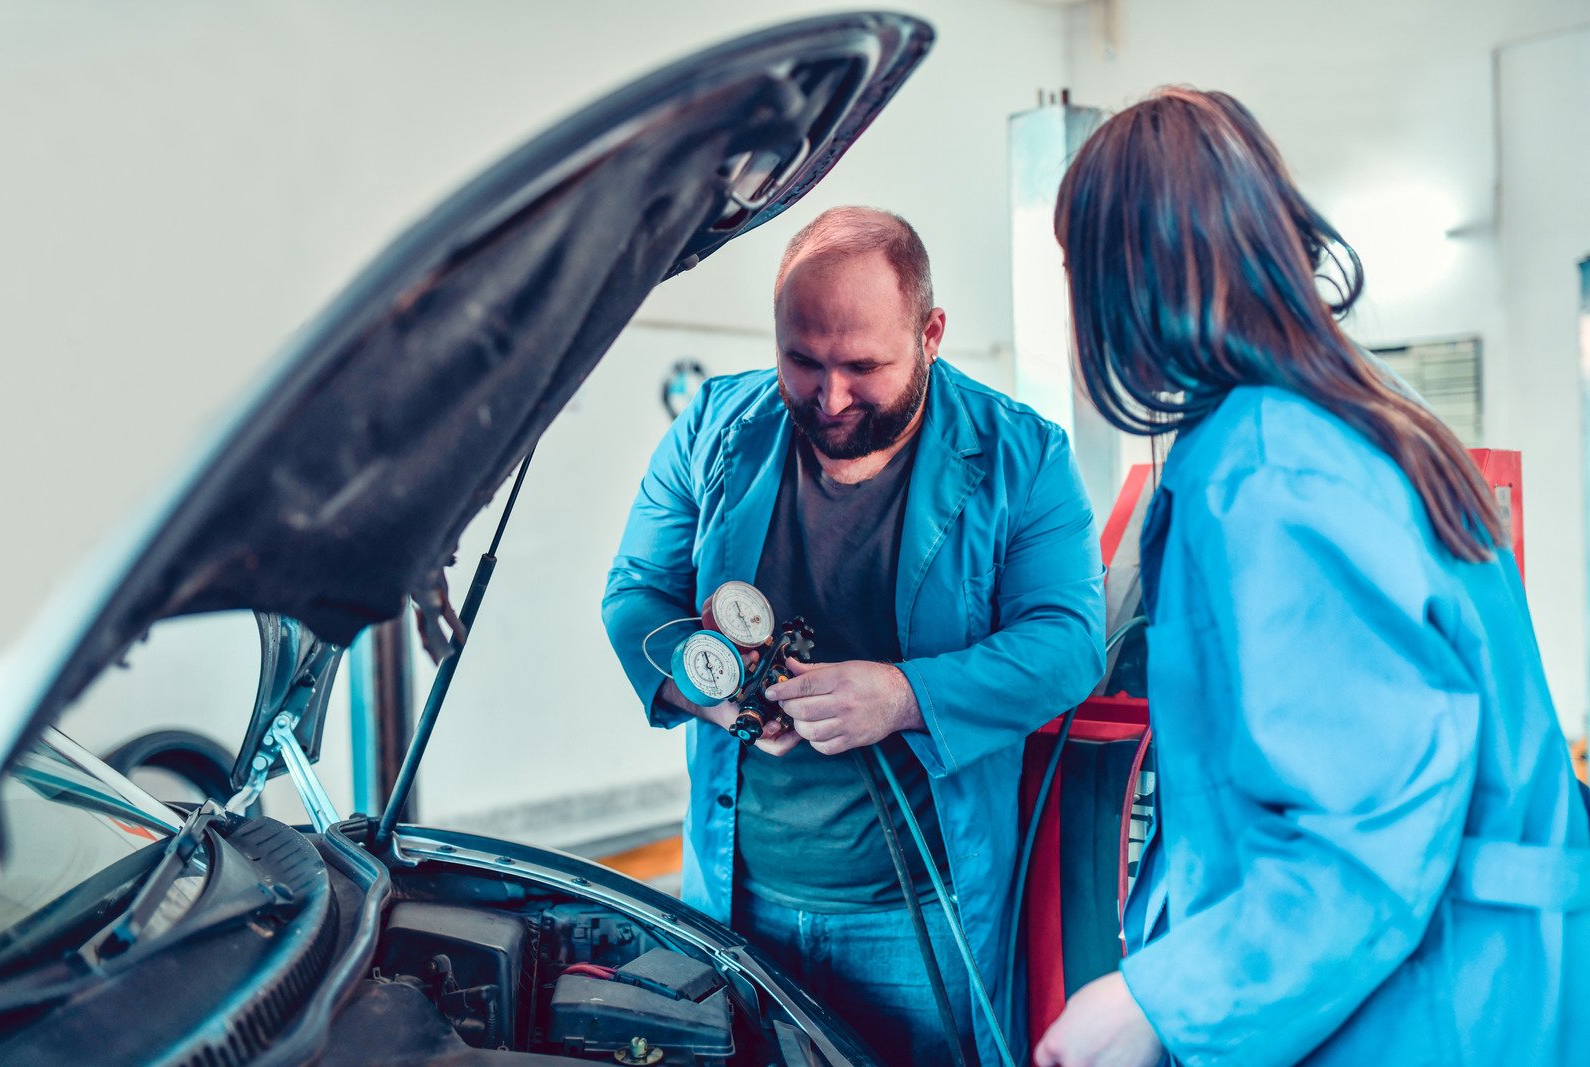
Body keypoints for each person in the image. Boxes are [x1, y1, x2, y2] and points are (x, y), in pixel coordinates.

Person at [1034, 88, 1589, 1067]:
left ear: (1128, 273)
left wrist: (1155, 1001)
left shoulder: (1270, 468)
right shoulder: (1361, 413)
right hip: (1495, 976)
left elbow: (1362, 835)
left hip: (1424, 1005)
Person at [603, 206, 1106, 1064]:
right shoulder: (714, 428)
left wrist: (905, 696)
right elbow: (636, 594)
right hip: (737, 904)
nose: (829, 398)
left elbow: (1068, 644)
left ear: (931, 332)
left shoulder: (1023, 456)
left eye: (863, 366)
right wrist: (721, 697)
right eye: (802, 361)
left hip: (919, 924)